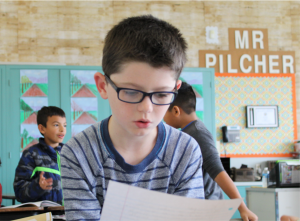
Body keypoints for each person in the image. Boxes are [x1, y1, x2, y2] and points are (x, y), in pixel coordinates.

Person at [61, 15, 204, 220]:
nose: (146, 108)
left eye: (162, 94)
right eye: (130, 92)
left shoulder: (185, 151)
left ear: (175, 89)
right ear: (103, 86)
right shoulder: (79, 154)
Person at [163, 82, 258, 221]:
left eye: (164, 111)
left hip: (208, 208)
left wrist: (242, 208)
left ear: (176, 111)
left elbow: (218, 171)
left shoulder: (197, 133)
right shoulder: (188, 131)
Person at [14, 106, 66, 205]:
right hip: (45, 216)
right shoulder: (31, 154)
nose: (62, 129)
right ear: (42, 128)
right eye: (56, 125)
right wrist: (37, 186)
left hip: (69, 215)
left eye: (65, 125)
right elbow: (19, 191)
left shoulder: (70, 154)